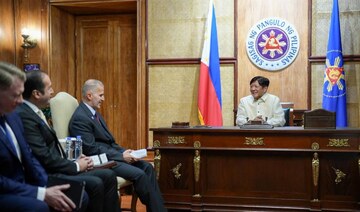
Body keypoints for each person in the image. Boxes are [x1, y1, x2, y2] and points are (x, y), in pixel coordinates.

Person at [16, 71, 121, 212]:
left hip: (60, 165)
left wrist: (72, 158)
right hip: (50, 174)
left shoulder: (36, 112)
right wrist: (76, 166)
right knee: (96, 183)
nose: (53, 92)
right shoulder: (25, 116)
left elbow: (51, 147)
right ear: (36, 94)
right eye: (49, 88)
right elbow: (42, 155)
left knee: (108, 175)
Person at [0, 61, 88, 212]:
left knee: (78, 195)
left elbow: (30, 158)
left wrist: (47, 184)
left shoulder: (13, 117)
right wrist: (41, 193)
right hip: (5, 190)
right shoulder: (21, 114)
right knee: (38, 207)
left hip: (27, 182)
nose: (21, 100)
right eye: (16, 95)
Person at [69, 79, 167, 212]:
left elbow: (110, 142)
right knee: (139, 174)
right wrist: (121, 156)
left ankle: (156, 209)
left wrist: (127, 152)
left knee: (147, 167)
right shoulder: (80, 118)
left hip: (112, 156)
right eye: (101, 95)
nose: (103, 99)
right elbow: (91, 149)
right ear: (89, 95)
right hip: (101, 161)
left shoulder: (94, 113)